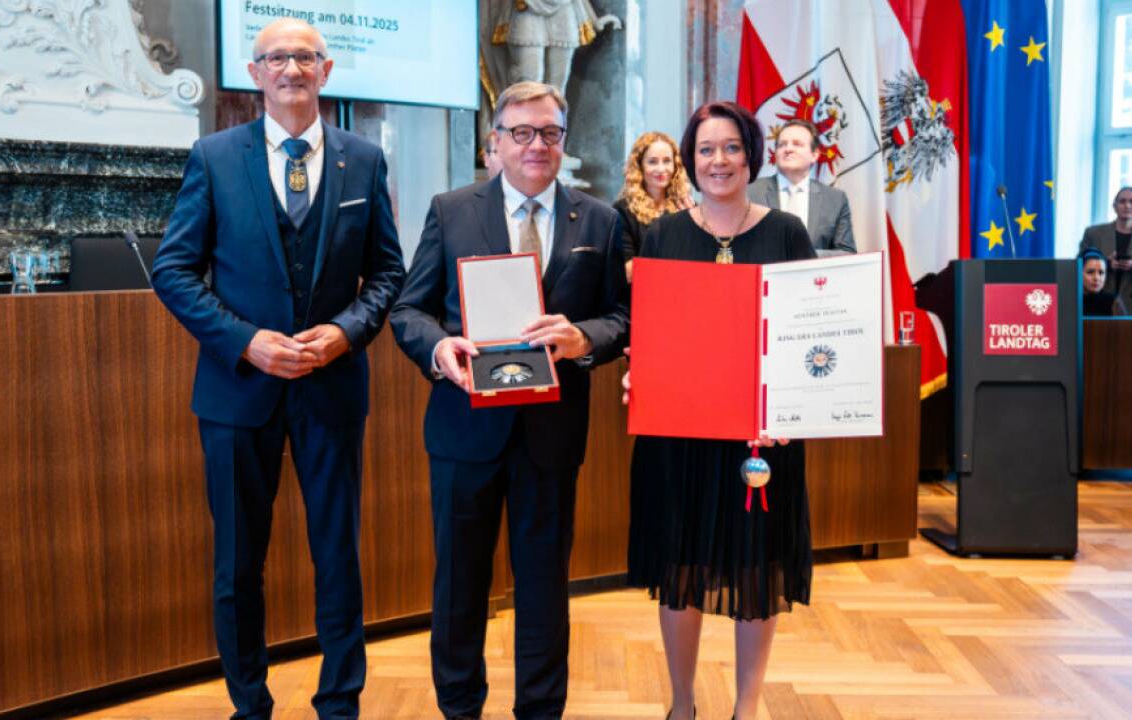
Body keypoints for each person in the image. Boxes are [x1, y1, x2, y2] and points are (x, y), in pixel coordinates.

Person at [151, 18, 405, 720]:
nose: (291, 68)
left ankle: (339, 704)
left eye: (304, 57)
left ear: (325, 72)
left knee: (338, 558)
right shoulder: (214, 155)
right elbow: (173, 271)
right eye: (275, 58)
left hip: (331, 391)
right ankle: (249, 704)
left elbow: (388, 274)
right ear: (255, 72)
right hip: (238, 394)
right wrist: (246, 341)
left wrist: (346, 333)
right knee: (237, 564)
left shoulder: (364, 159)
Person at [390, 81, 629, 720]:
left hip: (550, 438)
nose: (535, 145)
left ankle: (541, 710)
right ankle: (459, 707)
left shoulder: (600, 220)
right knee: (460, 584)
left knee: (546, 586)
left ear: (563, 141)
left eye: (548, 132)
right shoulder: (451, 209)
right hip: (465, 431)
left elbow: (623, 318)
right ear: (494, 143)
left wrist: (584, 337)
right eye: (520, 133)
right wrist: (441, 351)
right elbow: (410, 308)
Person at [623, 102, 815, 720]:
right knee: (681, 567)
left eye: (731, 148)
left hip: (762, 441)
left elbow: (808, 333)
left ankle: (747, 707)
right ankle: (682, 705)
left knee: (756, 568)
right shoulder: (663, 236)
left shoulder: (787, 233)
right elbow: (650, 334)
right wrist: (639, 375)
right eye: (705, 150)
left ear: (751, 154)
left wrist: (797, 408)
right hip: (680, 436)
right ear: (690, 159)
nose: (718, 161)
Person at [748, 119, 856, 257]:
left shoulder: (835, 199)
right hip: (764, 277)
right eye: (782, 145)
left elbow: (847, 253)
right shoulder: (750, 193)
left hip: (815, 277)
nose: (788, 149)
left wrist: (806, 254)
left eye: (797, 144)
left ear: (814, 154)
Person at [614, 131, 694, 281]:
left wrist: (692, 228)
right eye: (652, 162)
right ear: (640, 166)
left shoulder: (687, 207)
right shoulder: (622, 210)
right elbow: (627, 272)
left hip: (682, 290)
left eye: (667, 161)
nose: (661, 169)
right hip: (641, 296)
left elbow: (701, 261)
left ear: (675, 165)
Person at [1079, 186, 1132, 316]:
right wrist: (1105, 264)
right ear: (1114, 206)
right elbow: (1078, 265)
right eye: (1122, 201)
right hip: (1097, 302)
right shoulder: (1093, 233)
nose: (1127, 205)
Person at [1080, 248, 1124, 317]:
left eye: (1101, 273)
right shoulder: (1069, 301)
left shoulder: (1113, 301)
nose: (1096, 278)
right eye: (1090, 272)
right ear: (1078, 273)